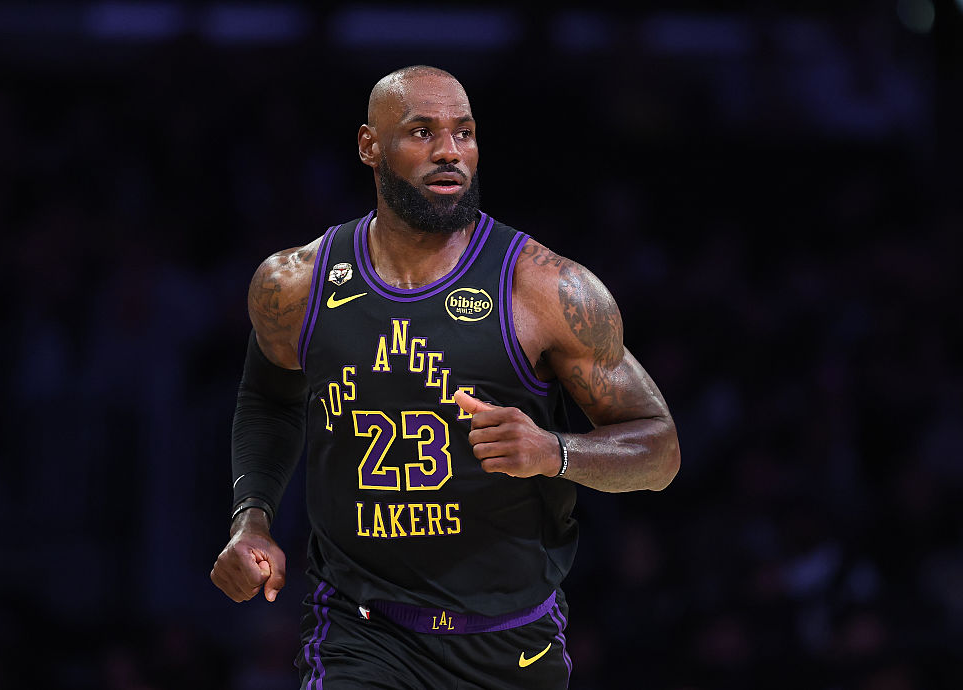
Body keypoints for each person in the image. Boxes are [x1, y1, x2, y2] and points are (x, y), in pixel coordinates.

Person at [210, 64, 680, 689]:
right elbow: (268, 398)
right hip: (360, 630)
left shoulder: (545, 288)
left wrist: (554, 451)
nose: (449, 153)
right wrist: (252, 516)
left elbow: (660, 450)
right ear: (369, 146)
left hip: (510, 641)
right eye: (422, 132)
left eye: (464, 132)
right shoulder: (295, 284)